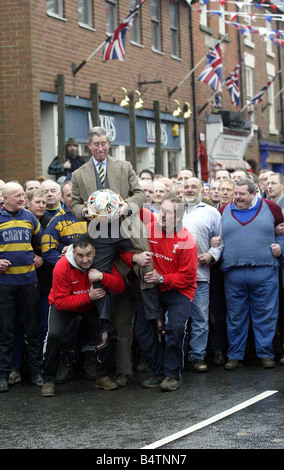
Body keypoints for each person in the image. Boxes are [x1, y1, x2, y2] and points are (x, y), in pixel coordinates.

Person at [71, 126, 165, 344]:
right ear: (89, 146)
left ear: (109, 144)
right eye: (96, 144)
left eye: (104, 143)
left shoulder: (124, 167)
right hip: (100, 230)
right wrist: (83, 211)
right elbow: (74, 204)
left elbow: (140, 194)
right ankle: (106, 326)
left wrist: (127, 207)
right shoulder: (79, 174)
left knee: (145, 260)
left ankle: (155, 314)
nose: (101, 147)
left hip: (126, 226)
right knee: (97, 274)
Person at [121, 196, 198, 391]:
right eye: (161, 210)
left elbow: (188, 277)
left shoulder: (186, 239)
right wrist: (135, 258)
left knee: (176, 329)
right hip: (152, 288)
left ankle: (172, 375)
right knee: (142, 330)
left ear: (179, 216)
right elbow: (124, 252)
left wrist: (162, 278)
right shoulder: (148, 230)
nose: (162, 215)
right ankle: (158, 371)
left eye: (168, 212)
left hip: (179, 291)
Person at [41, 233, 125, 397]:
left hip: (90, 306)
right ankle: (48, 380)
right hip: (66, 306)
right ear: (73, 253)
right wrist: (88, 296)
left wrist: (102, 276)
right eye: (80, 255)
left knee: (107, 330)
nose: (85, 260)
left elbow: (120, 287)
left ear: (94, 252)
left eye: (88, 255)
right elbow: (60, 302)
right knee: (54, 335)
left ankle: (102, 376)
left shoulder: (101, 262)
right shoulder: (62, 266)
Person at [220, 178, 284, 370]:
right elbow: (214, 235)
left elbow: (282, 233)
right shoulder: (223, 210)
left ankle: (265, 354)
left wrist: (281, 248)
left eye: (242, 194)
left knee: (266, 316)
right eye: (236, 193)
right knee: (235, 317)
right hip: (233, 274)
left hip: (265, 273)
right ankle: (235, 356)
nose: (237, 197)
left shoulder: (272, 208)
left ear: (253, 193)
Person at [0, 182, 43, 392]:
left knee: (33, 330)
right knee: (6, 332)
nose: (22, 199)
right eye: (17, 196)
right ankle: (4, 374)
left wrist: (39, 256)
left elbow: (41, 241)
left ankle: (37, 373)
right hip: (5, 285)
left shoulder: (30, 217)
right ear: (4, 198)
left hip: (29, 283)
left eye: (23, 195)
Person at [182, 177, 224, 372]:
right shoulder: (174, 210)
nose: (190, 190)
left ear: (201, 190)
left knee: (200, 318)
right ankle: (177, 356)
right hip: (177, 276)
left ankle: (197, 356)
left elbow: (220, 241)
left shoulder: (212, 213)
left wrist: (211, 254)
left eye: (194, 187)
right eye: (186, 187)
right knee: (176, 319)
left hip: (201, 274)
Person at [41, 181, 87, 266]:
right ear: (62, 197)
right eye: (69, 195)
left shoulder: (94, 216)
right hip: (70, 273)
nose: (74, 198)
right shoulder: (56, 221)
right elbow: (47, 251)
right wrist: (68, 264)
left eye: (77, 194)